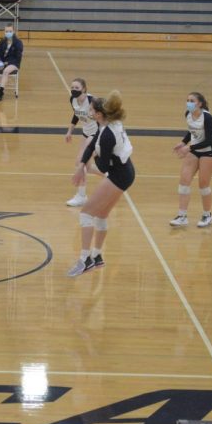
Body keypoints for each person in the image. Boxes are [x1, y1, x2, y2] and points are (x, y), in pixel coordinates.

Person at [68, 92, 135, 277]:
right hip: (124, 171)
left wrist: (88, 168)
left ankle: (85, 259)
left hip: (119, 174)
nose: (88, 111)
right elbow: (90, 146)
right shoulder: (107, 124)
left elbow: (104, 166)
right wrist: (81, 165)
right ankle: (97, 256)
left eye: (91, 109)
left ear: (98, 114)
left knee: (86, 214)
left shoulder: (107, 135)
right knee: (102, 215)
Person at [170, 92, 212, 228]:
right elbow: (191, 131)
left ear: (200, 104)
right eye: (187, 100)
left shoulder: (207, 118)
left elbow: (208, 141)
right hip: (194, 149)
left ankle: (207, 215)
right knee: (184, 181)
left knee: (203, 184)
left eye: (192, 100)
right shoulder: (188, 114)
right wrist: (183, 142)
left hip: (209, 151)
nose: (189, 103)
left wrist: (188, 148)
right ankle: (182, 216)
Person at [64, 77, 97, 207]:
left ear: (84, 89)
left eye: (77, 88)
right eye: (72, 88)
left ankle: (81, 196)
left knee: (80, 162)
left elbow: (105, 115)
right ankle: (110, 176)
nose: (74, 90)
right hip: (86, 132)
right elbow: (76, 115)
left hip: (96, 133)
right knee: (86, 166)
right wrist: (69, 131)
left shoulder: (92, 101)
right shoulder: (72, 100)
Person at [0, 23, 23, 102]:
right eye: (6, 31)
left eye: (10, 31)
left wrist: (6, 63)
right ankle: (0, 90)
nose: (8, 33)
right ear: (4, 32)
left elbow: (18, 57)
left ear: (13, 31)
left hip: (13, 63)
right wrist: (0, 61)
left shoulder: (18, 43)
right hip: (3, 62)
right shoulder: (2, 41)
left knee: (6, 71)